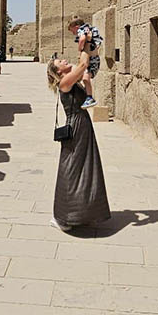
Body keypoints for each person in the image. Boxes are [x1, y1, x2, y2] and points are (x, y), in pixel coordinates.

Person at [46, 56, 110, 231]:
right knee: (72, 169)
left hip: (84, 124)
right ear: (58, 71)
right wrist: (86, 45)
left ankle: (85, 213)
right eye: (60, 62)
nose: (64, 60)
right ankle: (63, 217)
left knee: (87, 167)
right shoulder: (64, 83)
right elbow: (82, 64)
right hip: (75, 127)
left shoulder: (73, 81)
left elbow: (87, 90)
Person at [66, 16, 101, 108]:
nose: (73, 33)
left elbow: (82, 39)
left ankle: (89, 98)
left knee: (85, 78)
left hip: (92, 60)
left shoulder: (82, 30)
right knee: (83, 78)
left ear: (76, 27)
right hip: (92, 59)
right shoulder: (88, 29)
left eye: (72, 30)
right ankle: (87, 95)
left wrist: (80, 48)